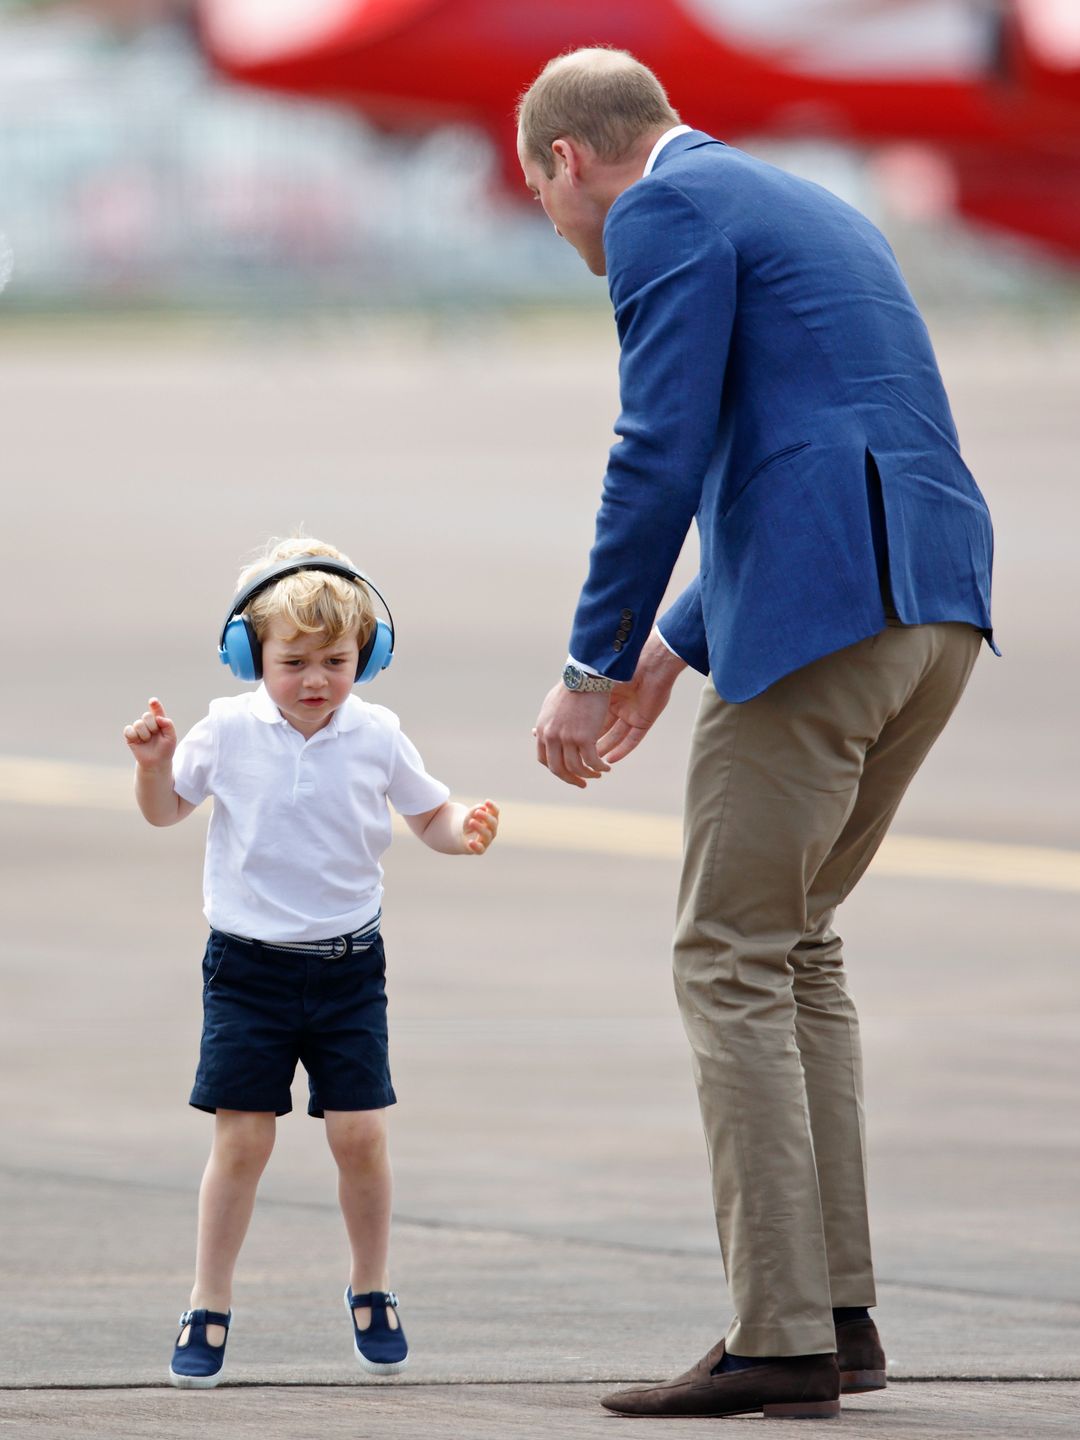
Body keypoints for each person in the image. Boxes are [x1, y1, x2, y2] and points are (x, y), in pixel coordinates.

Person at [519, 48, 995, 1421]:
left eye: (543, 198)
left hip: (824, 617)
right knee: (797, 948)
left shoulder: (661, 213)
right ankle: (836, 1316)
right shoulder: (809, 204)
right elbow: (831, 433)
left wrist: (590, 661)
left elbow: (657, 448)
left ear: (569, 160)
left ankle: (780, 1336)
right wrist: (674, 645)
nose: (560, 232)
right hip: (934, 610)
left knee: (724, 954)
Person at [122, 536, 499, 1389]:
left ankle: (372, 1285)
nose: (317, 678)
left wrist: (460, 831)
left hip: (347, 968)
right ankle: (208, 1299)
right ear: (248, 654)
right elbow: (165, 812)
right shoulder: (226, 730)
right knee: (244, 1140)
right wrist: (152, 768)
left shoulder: (376, 733)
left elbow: (429, 813)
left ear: (369, 653)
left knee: (360, 1135)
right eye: (293, 661)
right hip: (248, 969)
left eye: (337, 659)